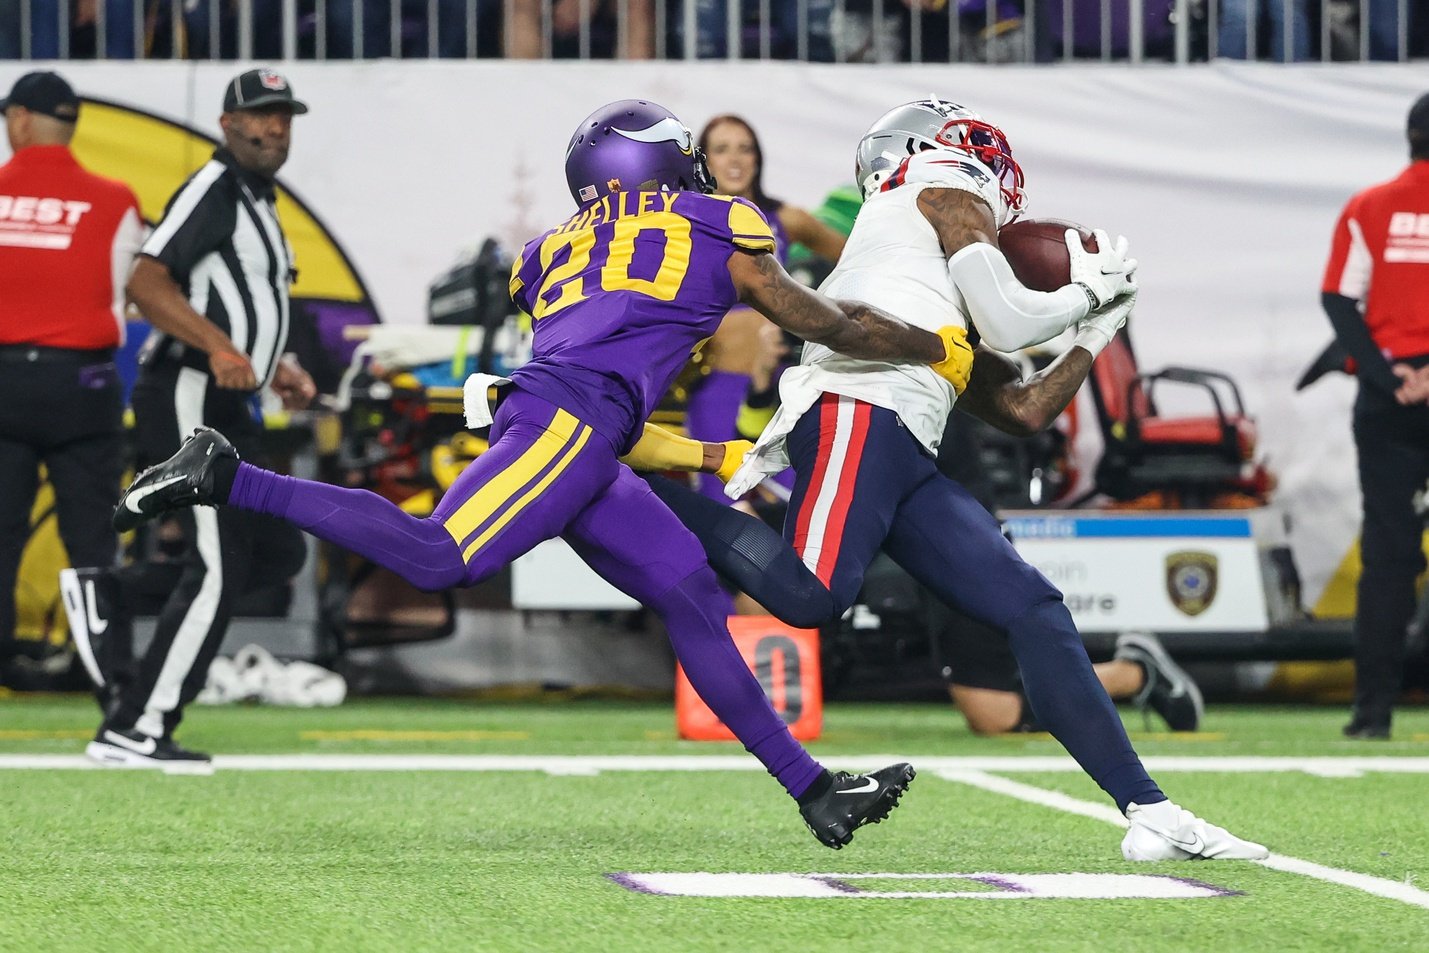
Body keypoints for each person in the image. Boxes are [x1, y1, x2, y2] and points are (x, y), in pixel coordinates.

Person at [109, 98, 978, 848]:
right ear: (660, 161)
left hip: (576, 428)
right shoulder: (723, 223)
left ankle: (816, 789)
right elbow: (824, 321)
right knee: (439, 554)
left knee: (688, 596)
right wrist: (930, 346)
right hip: (571, 421)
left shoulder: (549, 250)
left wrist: (715, 454)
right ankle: (232, 476)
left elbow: (605, 376)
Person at [656, 98, 1265, 861]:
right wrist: (1083, 293)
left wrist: (1094, 331)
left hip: (904, 435)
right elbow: (1010, 327)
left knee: (1033, 606)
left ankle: (1151, 810)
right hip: (858, 406)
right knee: (810, 595)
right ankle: (640, 491)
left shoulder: (927, 269)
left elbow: (1021, 407)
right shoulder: (941, 185)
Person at [66, 68, 319, 767]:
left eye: (284, 118)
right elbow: (146, 279)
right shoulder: (213, 188)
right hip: (188, 394)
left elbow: (241, 304)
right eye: (261, 117)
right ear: (227, 123)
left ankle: (108, 591)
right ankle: (135, 727)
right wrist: (219, 346)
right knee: (215, 563)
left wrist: (278, 367)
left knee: (275, 552)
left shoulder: (256, 201)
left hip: (229, 400)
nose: (274, 129)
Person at [0, 71, 142, 688]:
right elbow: (129, 297)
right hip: (81, 385)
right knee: (92, 542)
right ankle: (107, 675)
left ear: (22, 120)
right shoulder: (116, 199)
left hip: (3, 379)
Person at [1320, 91, 1429, 740]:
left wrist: (1391, 376)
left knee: (1388, 554)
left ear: (1410, 135)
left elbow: (1337, 299)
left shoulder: (1369, 206)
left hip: (1387, 399)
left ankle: (1371, 713)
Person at [686, 114, 847, 501]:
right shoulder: (684, 223)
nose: (735, 159)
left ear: (758, 158)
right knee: (729, 513)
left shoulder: (786, 219)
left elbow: (855, 257)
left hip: (783, 391)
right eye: (721, 150)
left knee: (796, 508)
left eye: (745, 148)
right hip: (717, 389)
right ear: (703, 162)